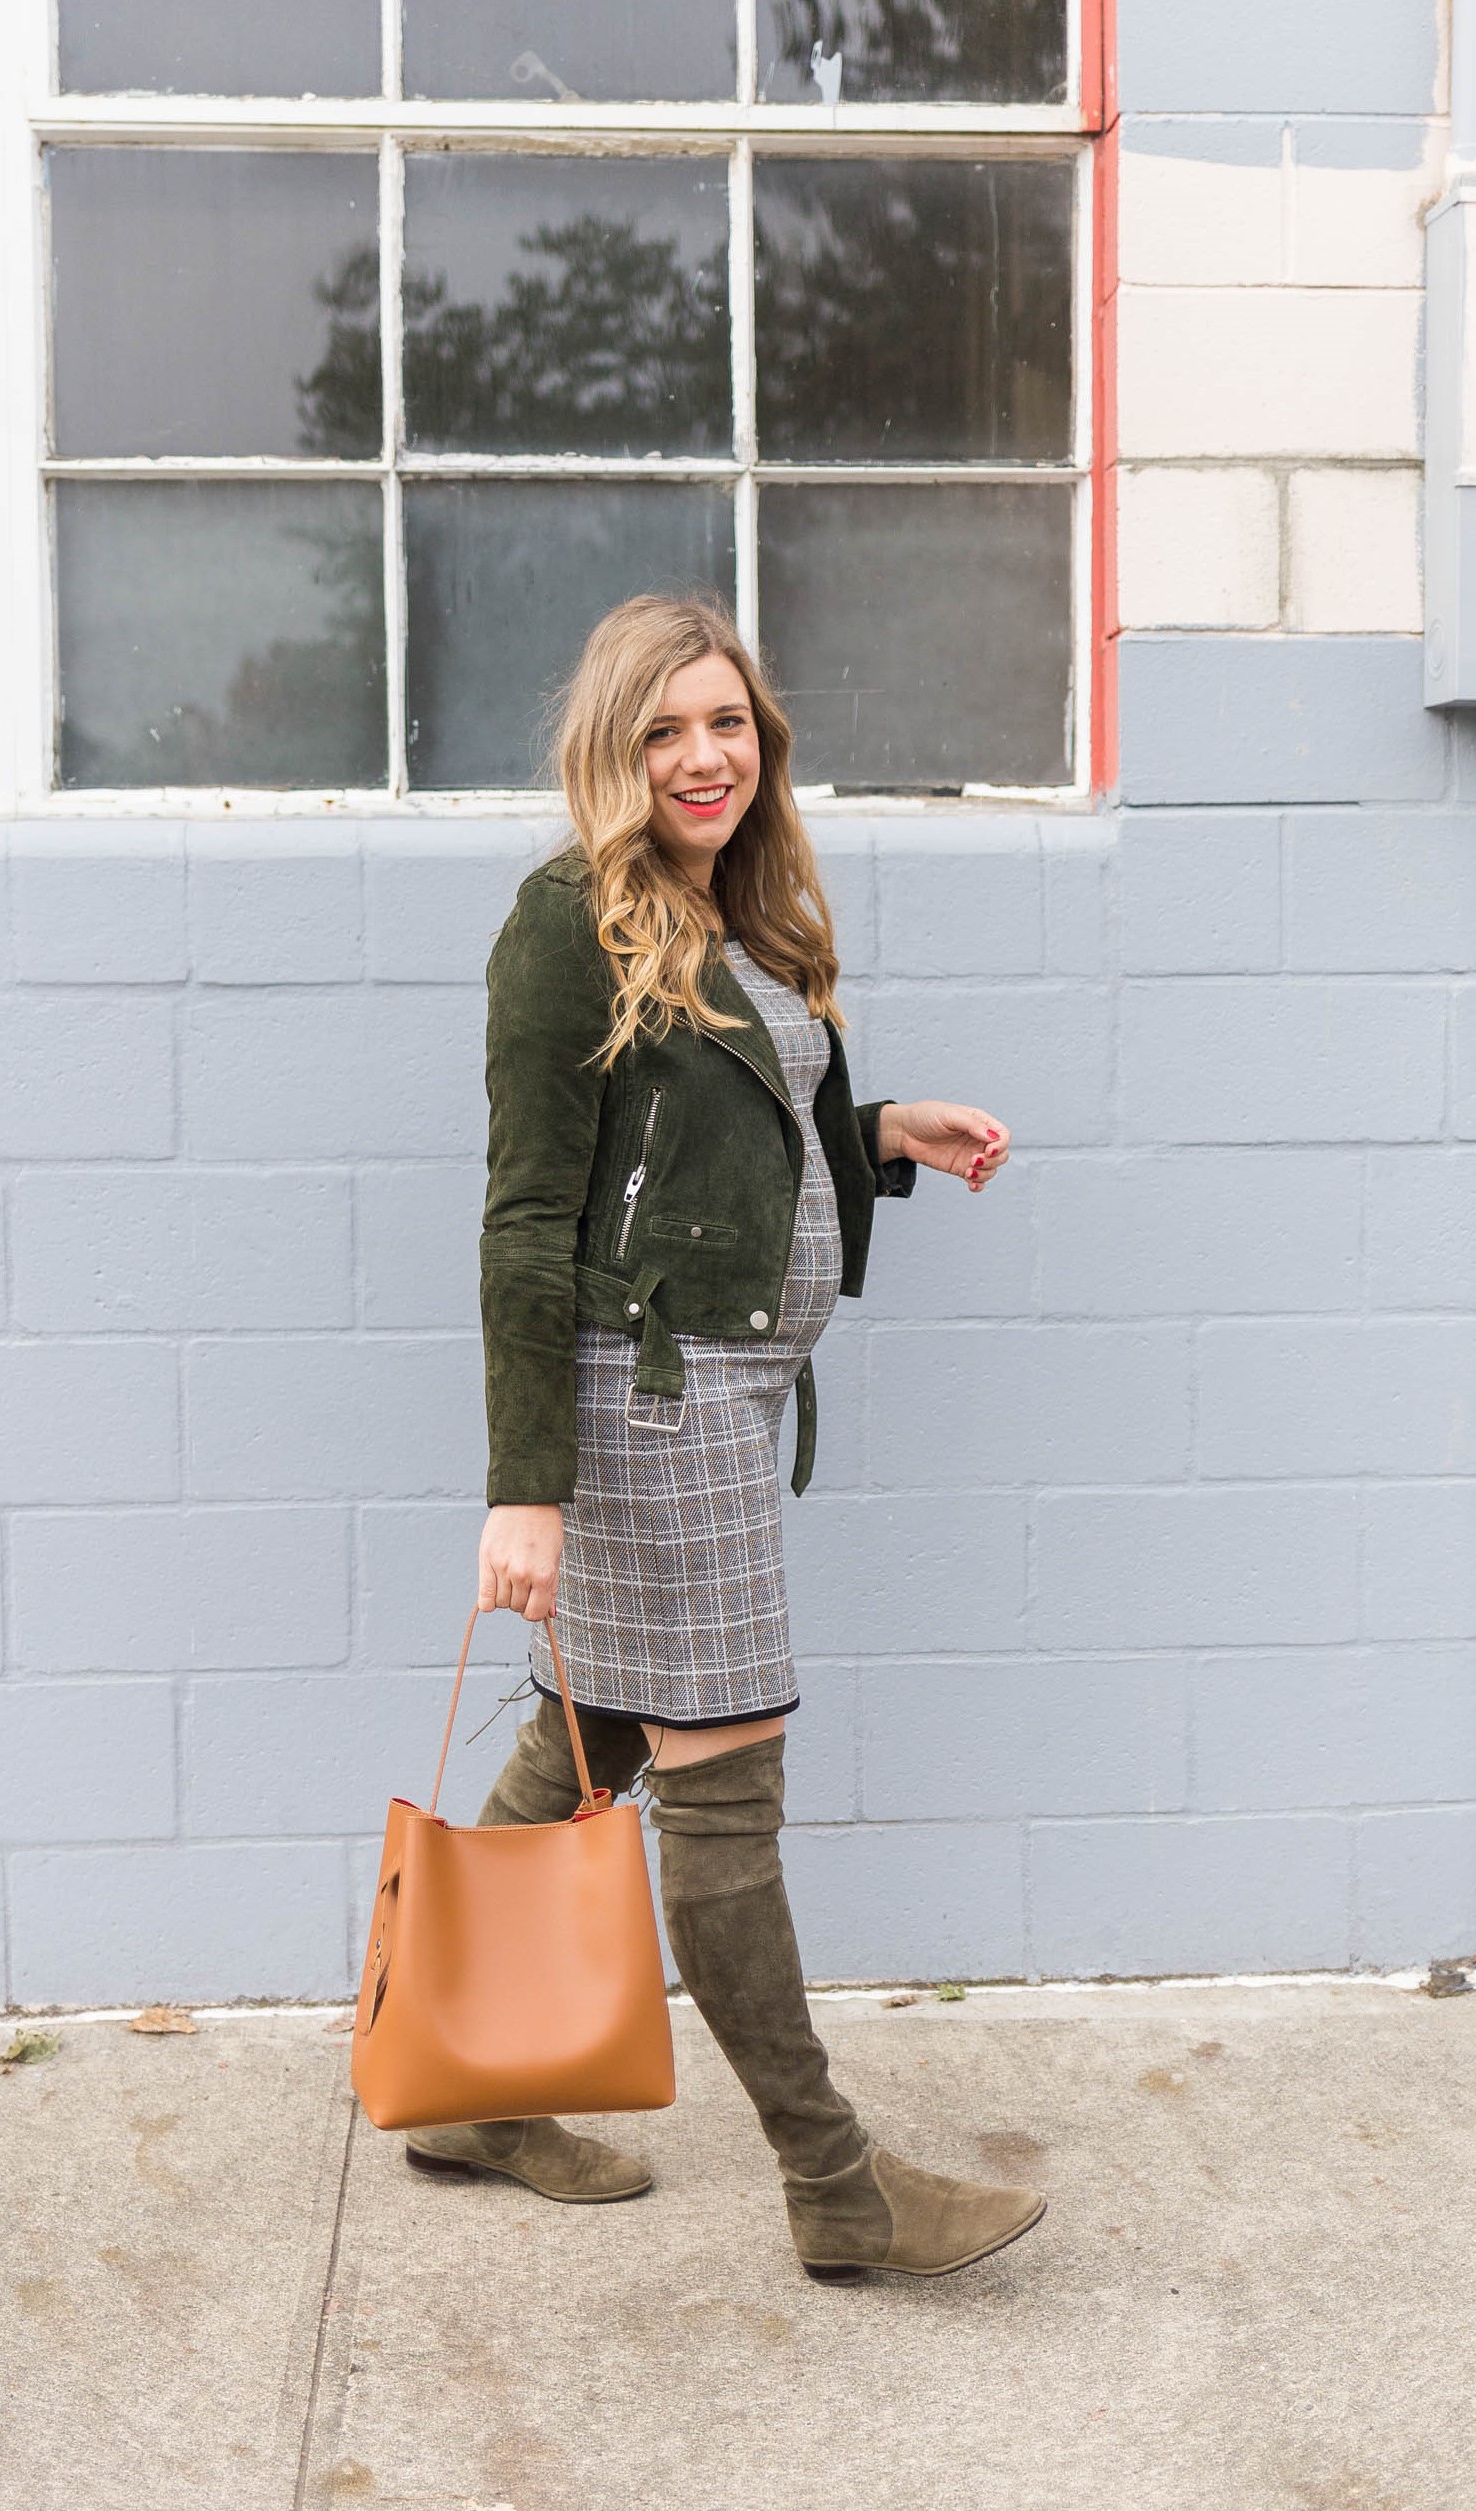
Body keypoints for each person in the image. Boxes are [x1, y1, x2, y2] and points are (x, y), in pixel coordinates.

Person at [405, 594, 1046, 2282]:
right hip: (650, 1408)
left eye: (730, 725)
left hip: (719, 1396)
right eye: (666, 729)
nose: (704, 756)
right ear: (615, 748)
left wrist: (881, 1130)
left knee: (592, 1737)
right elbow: (531, 1212)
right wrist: (525, 1484)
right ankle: (837, 2182)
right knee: (723, 1785)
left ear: (763, 743)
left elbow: (742, 1122)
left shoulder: (738, 907)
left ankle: (464, 2086)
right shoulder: (568, 923)